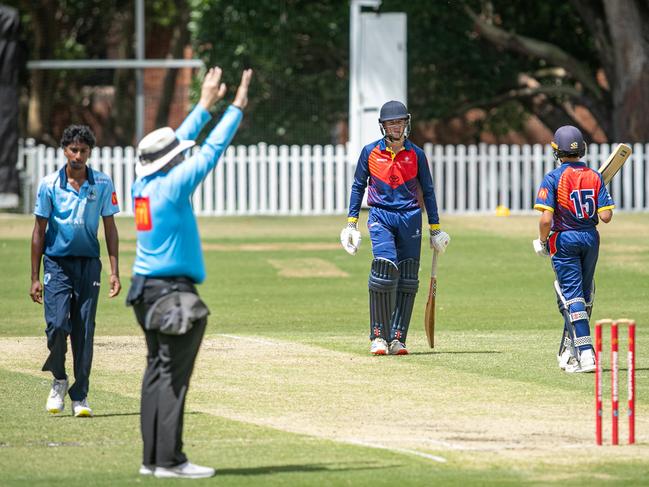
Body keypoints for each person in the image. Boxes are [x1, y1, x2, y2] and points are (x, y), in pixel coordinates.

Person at [125, 67, 252, 479]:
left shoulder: (140, 187)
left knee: (155, 374)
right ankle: (170, 461)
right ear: (169, 162)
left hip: (144, 291)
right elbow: (210, 151)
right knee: (173, 380)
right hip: (172, 293)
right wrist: (233, 109)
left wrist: (203, 104)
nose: (181, 154)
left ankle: (152, 460)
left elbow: (175, 143)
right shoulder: (173, 185)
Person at [340, 100, 450, 356]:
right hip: (381, 215)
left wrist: (435, 228)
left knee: (408, 278)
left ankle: (398, 338)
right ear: (383, 127)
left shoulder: (417, 155)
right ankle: (378, 336)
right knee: (385, 268)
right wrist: (351, 223)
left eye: (400, 122)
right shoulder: (370, 152)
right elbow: (358, 187)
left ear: (406, 124)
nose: (396, 127)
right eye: (391, 123)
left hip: (411, 218)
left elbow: (429, 192)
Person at [30, 125, 121, 417]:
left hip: (88, 266)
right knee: (58, 326)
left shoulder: (103, 183)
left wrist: (114, 271)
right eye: (73, 150)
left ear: (89, 153)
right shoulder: (49, 185)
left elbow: (110, 227)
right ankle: (59, 377)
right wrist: (34, 277)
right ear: (64, 150)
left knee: (84, 331)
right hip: (56, 264)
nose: (78, 156)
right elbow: (38, 231)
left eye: (83, 151)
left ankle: (80, 396)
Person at [533, 125, 614, 373]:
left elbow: (546, 219)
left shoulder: (554, 177)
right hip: (591, 237)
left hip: (564, 239)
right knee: (584, 295)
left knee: (570, 296)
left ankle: (586, 355)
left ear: (557, 151)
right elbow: (607, 216)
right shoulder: (594, 176)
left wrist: (542, 241)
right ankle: (570, 350)